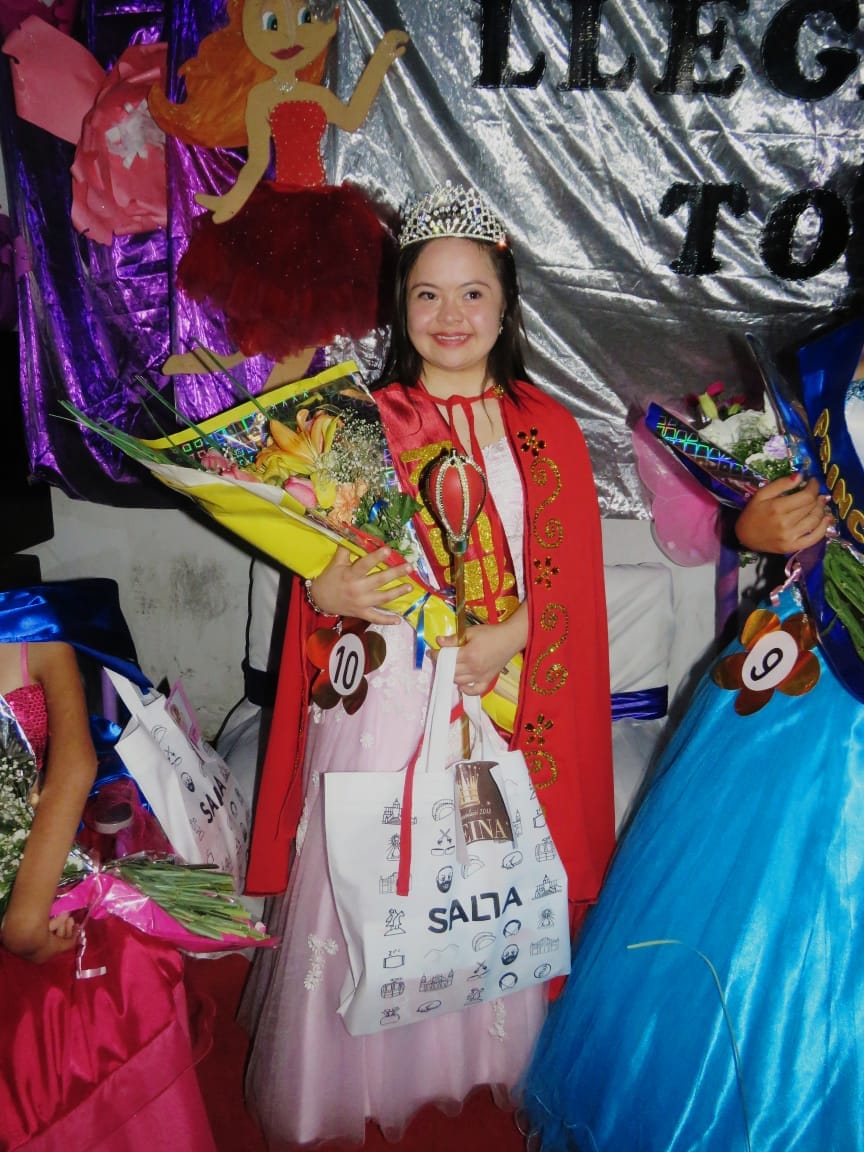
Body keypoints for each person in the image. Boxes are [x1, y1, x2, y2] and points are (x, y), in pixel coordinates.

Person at [238, 181, 615, 1146]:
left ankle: (474, 1053)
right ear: (399, 306)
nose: (452, 316)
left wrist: (513, 634)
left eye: (473, 293)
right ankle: (356, 1067)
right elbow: (323, 569)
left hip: (499, 696)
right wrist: (326, 588)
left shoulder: (547, 430)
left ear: (507, 304)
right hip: (389, 698)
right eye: (428, 294)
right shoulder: (362, 423)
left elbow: (573, 583)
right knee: (379, 871)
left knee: (480, 870)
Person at [518, 329, 863, 1152]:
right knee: (740, 916)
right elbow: (775, 508)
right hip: (805, 680)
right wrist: (755, 526)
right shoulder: (832, 359)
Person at [0, 638, 217, 1152]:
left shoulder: (37, 639)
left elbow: (74, 768)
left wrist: (28, 914)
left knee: (115, 980)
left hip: (35, 874)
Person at [151, 0, 409, 388]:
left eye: (305, 19)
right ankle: (248, 388)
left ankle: (223, 368)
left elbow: (352, 116)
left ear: (329, 22)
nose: (290, 35)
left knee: (299, 330)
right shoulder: (262, 97)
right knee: (292, 329)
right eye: (272, 24)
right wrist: (231, 202)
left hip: (322, 214)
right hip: (285, 214)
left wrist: (380, 60)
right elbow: (256, 162)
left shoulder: (316, 95)